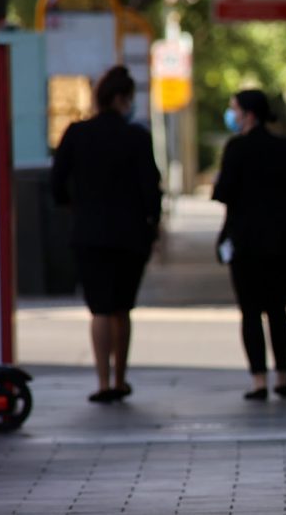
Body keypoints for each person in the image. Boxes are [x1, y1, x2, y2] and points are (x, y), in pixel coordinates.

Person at [51, 65, 162, 404]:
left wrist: (73, 206)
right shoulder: (137, 138)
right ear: (120, 98)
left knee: (99, 308)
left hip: (89, 233)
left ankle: (101, 381)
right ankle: (120, 378)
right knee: (121, 308)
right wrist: (152, 227)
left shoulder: (77, 134)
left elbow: (57, 183)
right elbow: (150, 189)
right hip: (130, 235)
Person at [213, 89, 286, 400]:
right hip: (283, 239)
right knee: (278, 309)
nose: (232, 116)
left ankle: (259, 380)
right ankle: (282, 377)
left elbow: (224, 192)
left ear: (249, 114)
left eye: (235, 110)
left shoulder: (236, 149)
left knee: (251, 311)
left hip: (245, 241)